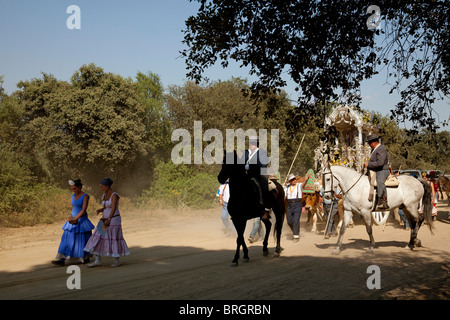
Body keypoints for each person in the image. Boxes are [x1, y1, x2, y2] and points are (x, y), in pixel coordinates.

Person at [84, 178, 130, 267]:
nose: (101, 188)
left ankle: (116, 260)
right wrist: (101, 210)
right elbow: (107, 207)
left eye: (102, 187)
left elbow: (113, 208)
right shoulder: (104, 195)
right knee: (98, 236)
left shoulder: (114, 195)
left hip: (113, 219)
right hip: (104, 218)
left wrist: (109, 219)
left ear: (107, 186)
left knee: (113, 237)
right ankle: (97, 260)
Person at [52, 179, 95, 266]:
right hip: (72, 220)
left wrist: (76, 218)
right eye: (72, 189)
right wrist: (72, 217)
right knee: (66, 238)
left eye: (75, 188)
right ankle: (62, 259)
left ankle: (85, 257)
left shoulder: (85, 196)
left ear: (79, 187)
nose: (73, 190)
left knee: (82, 239)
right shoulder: (73, 196)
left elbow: (83, 209)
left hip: (81, 220)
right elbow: (74, 207)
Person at [244, 135, 272, 220]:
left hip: (259, 173)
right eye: (250, 143)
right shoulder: (245, 152)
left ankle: (266, 209)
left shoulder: (262, 152)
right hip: (246, 174)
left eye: (253, 143)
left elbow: (263, 164)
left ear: (257, 144)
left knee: (264, 186)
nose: (252, 145)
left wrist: (250, 167)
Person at [364, 134, 390, 210]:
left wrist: (369, 164)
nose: (368, 145)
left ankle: (383, 201)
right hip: (375, 170)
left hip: (382, 170)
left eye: (369, 143)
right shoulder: (374, 149)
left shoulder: (381, 149)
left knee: (380, 181)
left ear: (373, 142)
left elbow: (380, 163)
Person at [284, 173, 303, 242]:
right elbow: (284, 196)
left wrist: (307, 179)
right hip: (290, 205)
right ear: (289, 181)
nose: (294, 180)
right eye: (292, 179)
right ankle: (296, 230)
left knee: (295, 220)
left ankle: (296, 236)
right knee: (289, 221)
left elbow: (304, 184)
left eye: (294, 179)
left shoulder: (299, 185)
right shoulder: (286, 187)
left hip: (297, 204)